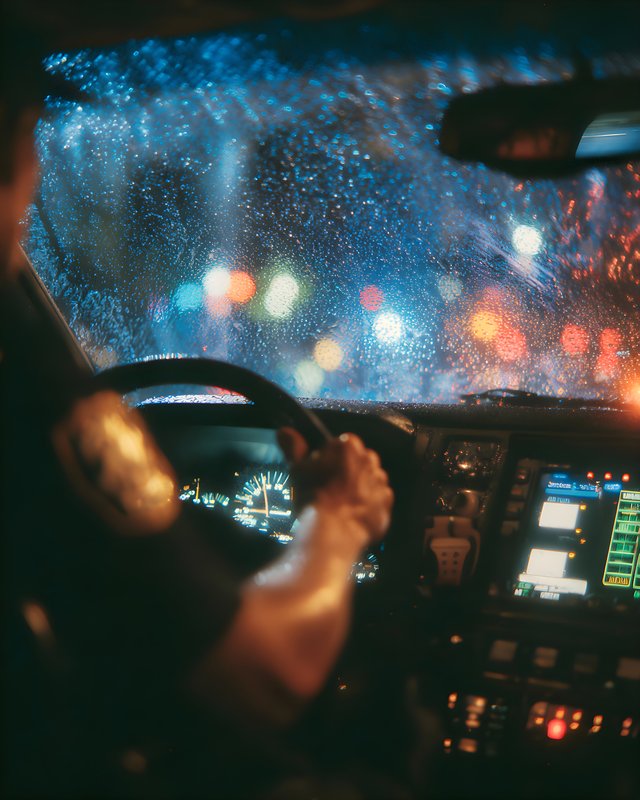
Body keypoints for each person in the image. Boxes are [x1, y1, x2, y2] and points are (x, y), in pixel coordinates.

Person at [0, 12, 393, 798]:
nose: (36, 171)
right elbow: (268, 675)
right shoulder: (42, 405)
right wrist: (338, 523)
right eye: (32, 137)